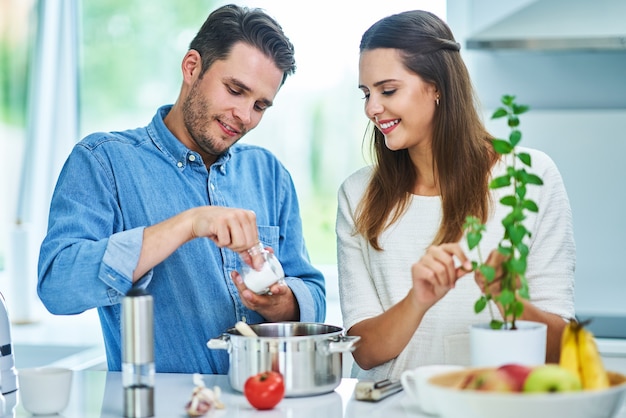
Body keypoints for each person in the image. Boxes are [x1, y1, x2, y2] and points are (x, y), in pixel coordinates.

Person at [37, 4, 325, 374]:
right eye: (235, 90)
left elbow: (312, 293)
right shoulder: (103, 162)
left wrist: (279, 303)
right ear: (192, 67)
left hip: (263, 403)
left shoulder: (268, 173)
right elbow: (58, 286)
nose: (245, 116)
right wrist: (187, 224)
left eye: (260, 105)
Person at [336, 10, 575, 381]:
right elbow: (363, 351)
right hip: (392, 408)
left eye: (388, 90)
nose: (371, 108)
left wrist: (509, 300)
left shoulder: (530, 177)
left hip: (499, 406)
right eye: (366, 93)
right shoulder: (358, 194)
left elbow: (563, 348)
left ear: (437, 86)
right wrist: (417, 301)